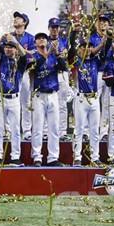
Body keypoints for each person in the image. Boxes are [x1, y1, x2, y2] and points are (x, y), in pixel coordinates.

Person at [29, 32, 67, 166]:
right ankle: (37, 157)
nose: (42, 40)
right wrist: (48, 53)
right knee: (38, 128)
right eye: (38, 38)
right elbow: (37, 66)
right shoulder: (32, 56)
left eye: (44, 38)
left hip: (53, 94)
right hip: (38, 95)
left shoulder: (53, 56)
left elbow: (64, 67)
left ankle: (53, 158)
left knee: (54, 128)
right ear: (35, 43)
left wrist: (56, 53)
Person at [0, 34, 28, 166]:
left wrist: (16, 42)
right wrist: (1, 39)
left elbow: (24, 56)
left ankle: (15, 157)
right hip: (0, 97)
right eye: (6, 47)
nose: (8, 49)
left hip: (14, 99)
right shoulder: (0, 60)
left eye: (10, 48)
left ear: (15, 49)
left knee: (16, 129)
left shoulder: (20, 63)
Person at [68, 39, 102, 167]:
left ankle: (95, 157)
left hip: (94, 98)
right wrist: (74, 35)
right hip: (81, 98)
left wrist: (104, 41)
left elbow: (103, 52)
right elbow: (70, 54)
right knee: (79, 129)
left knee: (94, 130)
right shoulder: (76, 62)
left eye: (89, 47)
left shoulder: (95, 61)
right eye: (83, 47)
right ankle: (77, 157)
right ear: (79, 49)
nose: (86, 49)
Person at [10, 12, 35, 140]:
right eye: (15, 18)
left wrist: (19, 49)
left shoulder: (31, 38)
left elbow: (33, 55)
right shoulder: (9, 36)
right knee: (10, 102)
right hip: (10, 73)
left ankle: (26, 130)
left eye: (18, 18)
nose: (15, 19)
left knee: (26, 102)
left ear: (24, 22)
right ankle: (10, 130)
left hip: (24, 73)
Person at [47, 18, 71, 139]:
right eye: (52, 27)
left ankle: (63, 131)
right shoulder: (44, 41)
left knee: (62, 104)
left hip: (61, 73)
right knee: (46, 102)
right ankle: (46, 131)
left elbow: (65, 57)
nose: (55, 29)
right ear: (49, 28)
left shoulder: (64, 41)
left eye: (56, 27)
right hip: (49, 73)